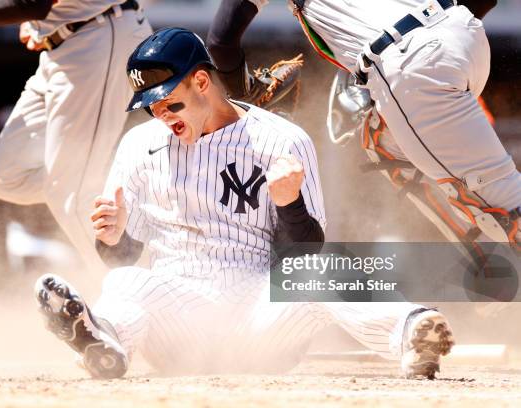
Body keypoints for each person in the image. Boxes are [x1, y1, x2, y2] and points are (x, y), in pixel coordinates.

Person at [34, 28, 454, 380]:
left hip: (258, 319)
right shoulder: (138, 145)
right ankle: (103, 344)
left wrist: (289, 204)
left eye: (170, 101)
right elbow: (123, 257)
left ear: (201, 82)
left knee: (326, 266)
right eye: (151, 107)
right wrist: (112, 237)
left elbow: (305, 254)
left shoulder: (280, 141)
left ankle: (412, 333)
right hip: (178, 317)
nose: (161, 113)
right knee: (124, 283)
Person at [209, 0, 520, 252]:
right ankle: (484, 257)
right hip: (462, 34)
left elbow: (220, 42)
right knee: (381, 138)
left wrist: (244, 96)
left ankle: (493, 251)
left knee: (509, 208)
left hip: (410, 64)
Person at [0, 0, 152, 274]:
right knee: (7, 176)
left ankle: (136, 296)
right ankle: (120, 196)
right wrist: (41, 23)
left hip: (98, 35)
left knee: (71, 194)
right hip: (67, 44)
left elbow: (31, 3)